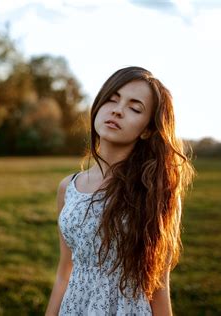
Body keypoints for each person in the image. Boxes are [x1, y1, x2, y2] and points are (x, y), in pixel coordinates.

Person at [45, 66, 196, 315]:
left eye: (134, 108)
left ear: (147, 129)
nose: (117, 110)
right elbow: (64, 271)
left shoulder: (158, 192)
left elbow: (158, 284)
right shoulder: (68, 188)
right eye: (112, 100)